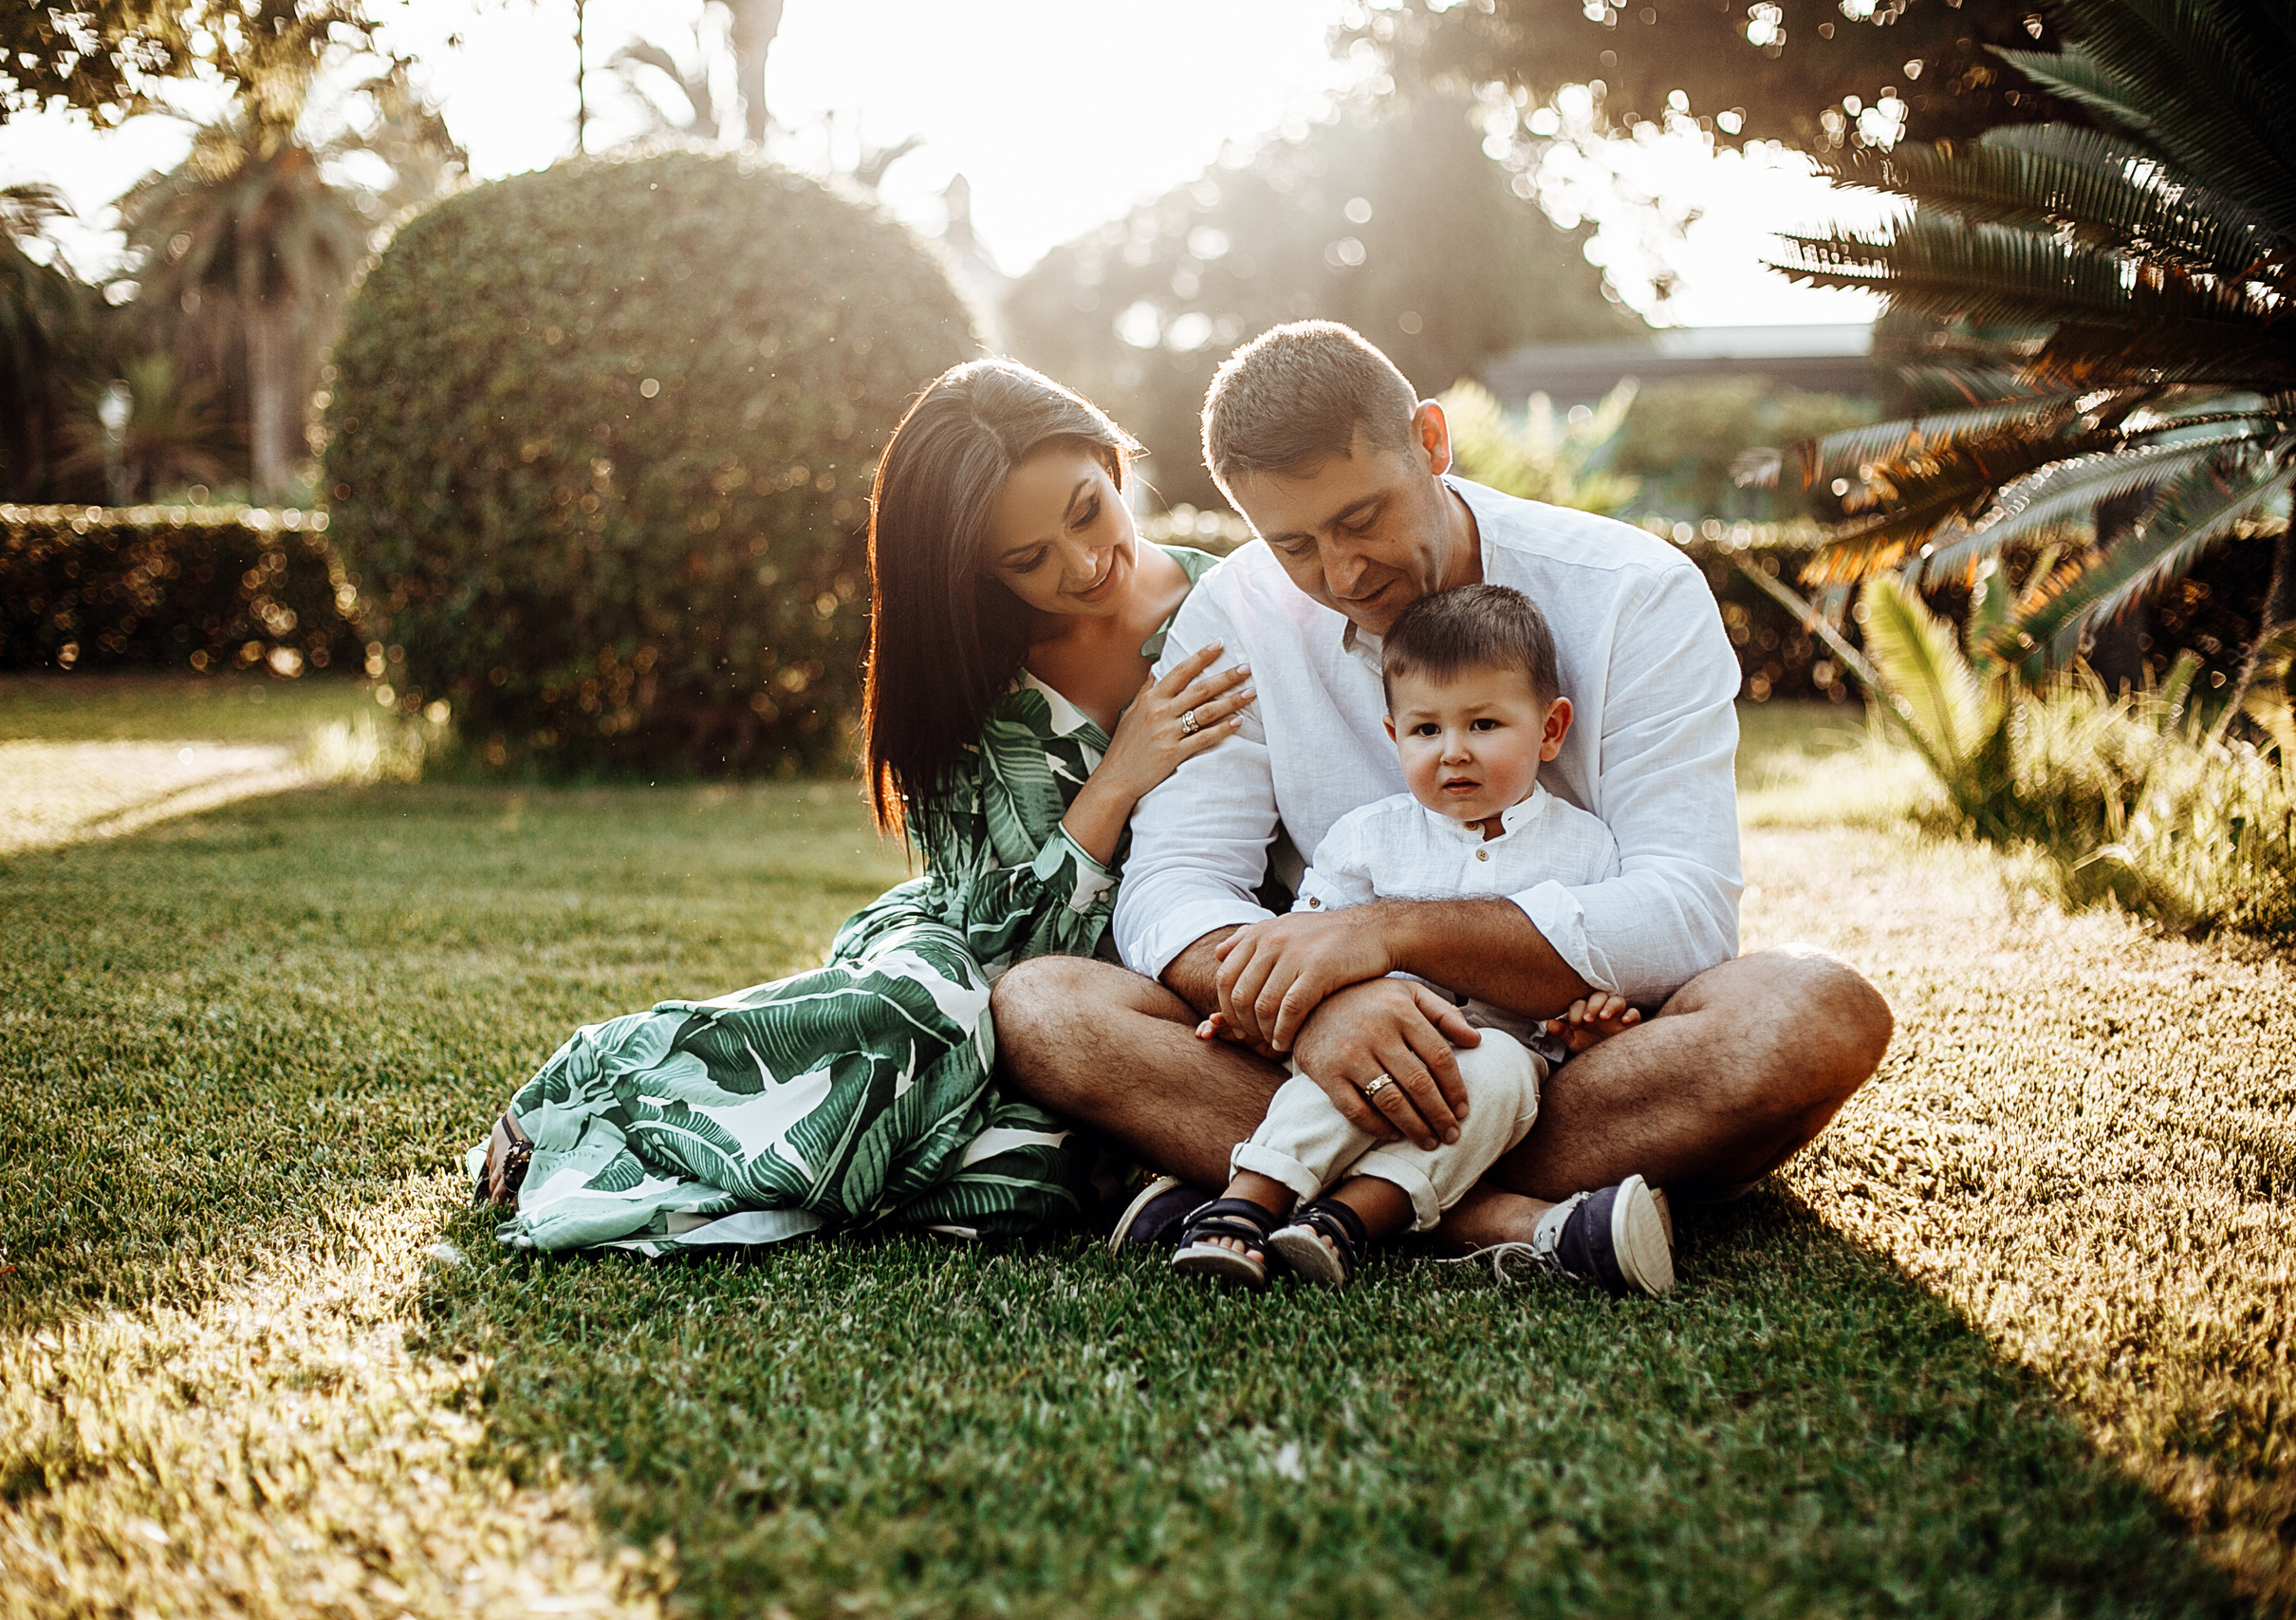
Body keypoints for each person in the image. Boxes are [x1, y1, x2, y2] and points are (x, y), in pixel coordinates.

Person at [994, 322, 1892, 1293]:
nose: (1342, 574)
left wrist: (1382, 937)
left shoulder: (1633, 594)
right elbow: (1173, 883)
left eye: (1361, 517)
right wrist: (1324, 1009)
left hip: (1573, 1056)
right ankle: (1494, 1218)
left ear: (1430, 441)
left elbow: (1683, 912)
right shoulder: (1239, 612)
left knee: (1811, 1014)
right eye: (1292, 543)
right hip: (1333, 1054)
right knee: (1046, 1009)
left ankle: (1272, 1190)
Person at [469, 359, 1250, 1255]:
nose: (1082, 564)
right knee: (932, 1011)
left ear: (1109, 458)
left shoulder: (1229, 611)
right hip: (963, 954)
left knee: (1024, 1174)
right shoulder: (974, 679)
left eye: (1087, 510)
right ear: (979, 571)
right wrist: (1115, 780)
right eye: (1028, 560)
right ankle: (602, 1080)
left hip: (1119, 1001)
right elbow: (1002, 949)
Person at [1171, 583, 1671, 1294]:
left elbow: (1583, 974)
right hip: (1373, 1035)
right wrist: (1270, 1006)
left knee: (1498, 1075)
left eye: (1485, 725)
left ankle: (1345, 1220)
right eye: (1427, 730)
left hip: (1500, 1054)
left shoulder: (1587, 850)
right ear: (1393, 735)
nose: (1453, 752)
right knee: (1330, 1077)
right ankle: (1248, 1201)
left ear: (1551, 729)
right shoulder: (1369, 838)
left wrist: (1584, 1024)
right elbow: (1307, 940)